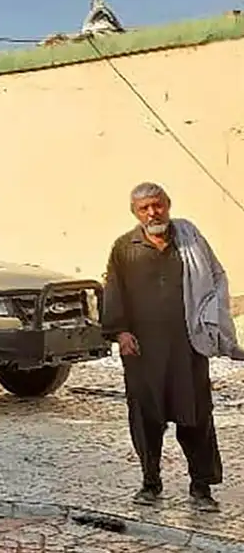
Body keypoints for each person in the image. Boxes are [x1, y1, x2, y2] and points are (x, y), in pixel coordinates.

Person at [103, 182, 240, 512]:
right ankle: (150, 483)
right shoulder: (124, 248)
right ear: (135, 213)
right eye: (144, 208)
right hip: (142, 352)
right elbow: (113, 291)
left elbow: (216, 278)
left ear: (168, 203)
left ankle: (201, 487)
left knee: (196, 417)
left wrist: (210, 321)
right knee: (146, 417)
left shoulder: (190, 241)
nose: (153, 212)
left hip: (187, 347)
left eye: (158, 205)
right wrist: (121, 333)